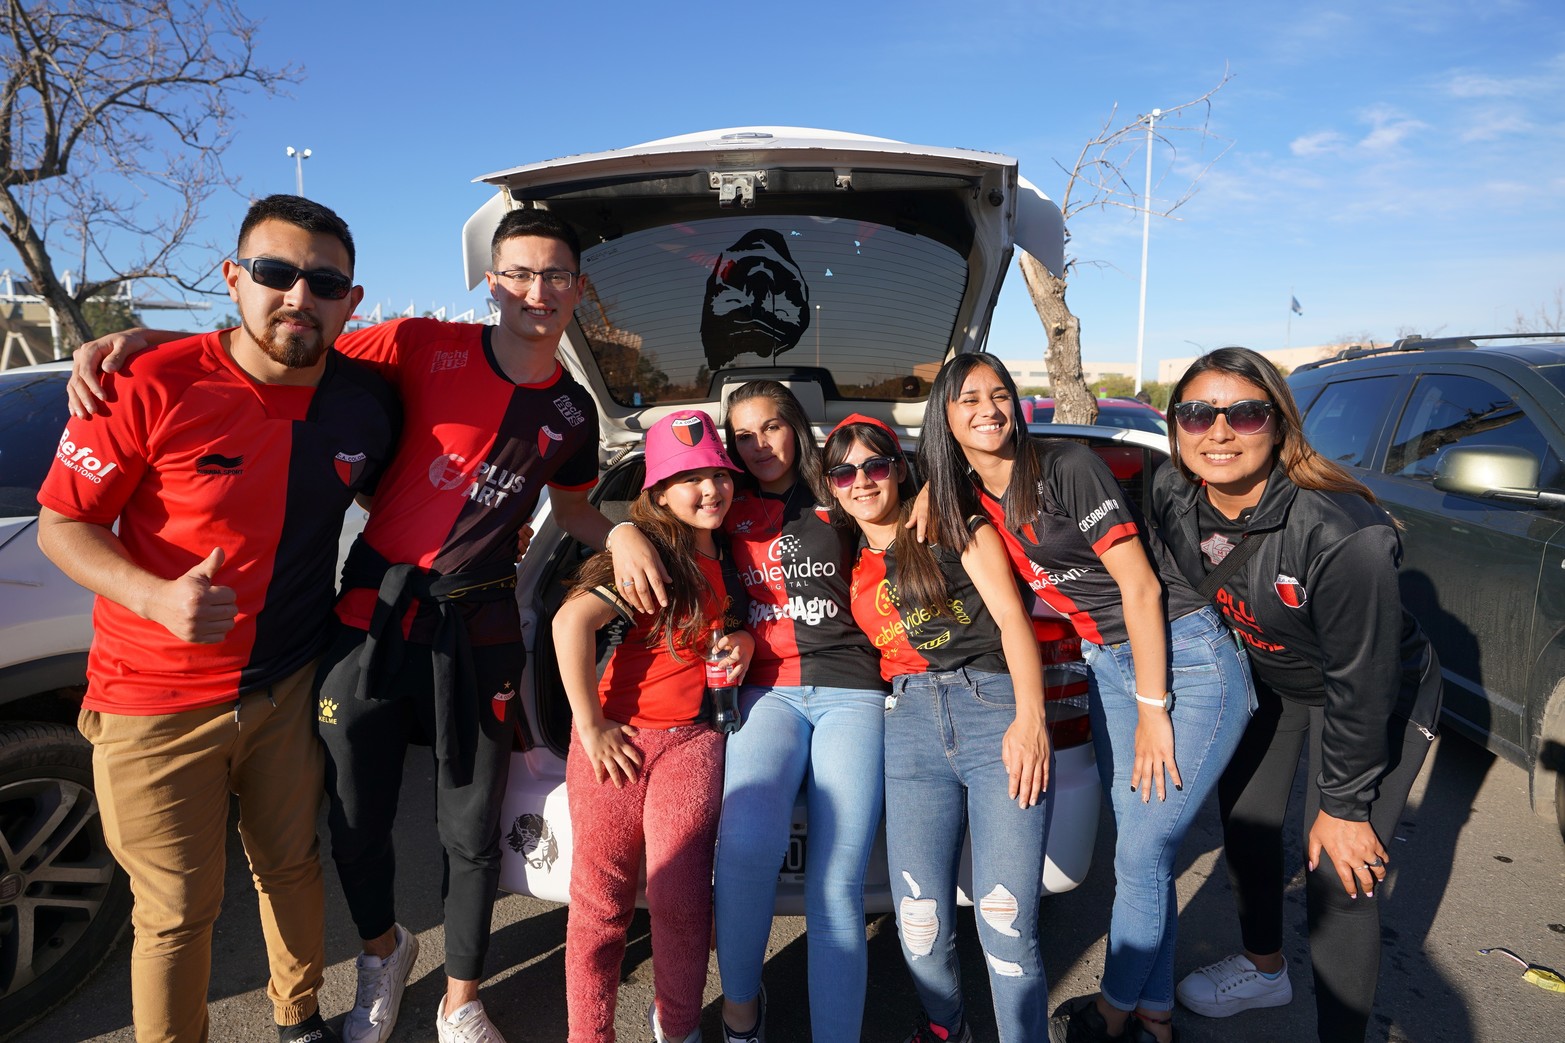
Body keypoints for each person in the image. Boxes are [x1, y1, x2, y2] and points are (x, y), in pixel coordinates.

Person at [66, 208, 668, 1043]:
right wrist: (148, 335)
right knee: (351, 819)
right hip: (369, 615)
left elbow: (571, 507)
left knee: (468, 825)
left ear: (578, 287)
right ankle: (385, 954)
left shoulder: (570, 409)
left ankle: (461, 998)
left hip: (480, 621)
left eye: (556, 275)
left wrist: (627, 525)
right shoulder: (420, 343)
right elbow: (290, 336)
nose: (538, 290)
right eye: (520, 273)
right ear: (490, 283)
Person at [36, 195, 400, 1043]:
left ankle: (296, 1016)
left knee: (291, 866)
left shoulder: (363, 401)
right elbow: (63, 523)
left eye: (324, 282)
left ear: (351, 299)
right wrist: (155, 595)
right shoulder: (147, 381)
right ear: (234, 278)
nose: (297, 297)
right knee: (174, 913)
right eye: (274, 273)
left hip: (287, 683)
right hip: (152, 701)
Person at [915, 353, 1253, 1043]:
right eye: (968, 399)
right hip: (1106, 662)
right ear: (944, 420)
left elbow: (1141, 588)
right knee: (1144, 853)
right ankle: (1154, 1015)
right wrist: (925, 486)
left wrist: (1154, 710)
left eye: (1000, 393)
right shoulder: (972, 497)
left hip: (1184, 658)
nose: (988, 408)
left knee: (1139, 852)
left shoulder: (1065, 465)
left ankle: (1109, 1012)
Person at [1152, 347, 1441, 1043]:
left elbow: (1362, 680)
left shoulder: (1344, 534)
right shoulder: (1170, 489)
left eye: (1243, 413)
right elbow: (1177, 596)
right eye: (1197, 413)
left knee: (1338, 869)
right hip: (1274, 680)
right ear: (1175, 427)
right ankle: (1262, 967)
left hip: (1374, 693)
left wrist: (1343, 805)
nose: (1217, 431)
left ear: (1277, 425)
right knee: (1246, 825)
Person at [825, 414, 1051, 1043]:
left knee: (1006, 923)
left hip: (993, 706)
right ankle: (946, 1031)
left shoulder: (952, 523)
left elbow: (1013, 621)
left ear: (900, 468)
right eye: (844, 472)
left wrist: (1031, 720)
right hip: (909, 725)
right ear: (832, 486)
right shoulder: (843, 560)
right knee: (920, 927)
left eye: (875, 465)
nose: (861, 481)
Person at [552, 409, 754, 1043]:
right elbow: (568, 625)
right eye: (688, 478)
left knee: (683, 902)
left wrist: (741, 635)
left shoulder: (733, 554)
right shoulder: (650, 557)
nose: (710, 490)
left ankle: (680, 1026)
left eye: (718, 474)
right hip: (617, 741)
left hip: (692, 742)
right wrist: (591, 726)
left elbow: (742, 621)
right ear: (660, 494)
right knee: (601, 907)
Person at [713, 381, 887, 1043]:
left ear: (798, 427)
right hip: (766, 690)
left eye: (772, 427)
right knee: (746, 845)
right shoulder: (723, 501)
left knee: (835, 879)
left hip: (851, 688)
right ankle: (740, 1016)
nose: (759, 444)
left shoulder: (840, 491)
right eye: (744, 433)